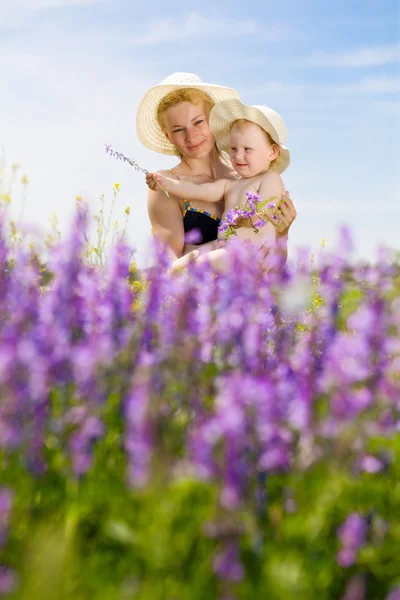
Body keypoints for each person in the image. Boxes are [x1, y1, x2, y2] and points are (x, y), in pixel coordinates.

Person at [136, 73, 296, 268]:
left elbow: (275, 268)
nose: (191, 136)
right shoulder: (167, 184)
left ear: (212, 119)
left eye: (198, 122)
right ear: (167, 135)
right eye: (178, 129)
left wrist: (282, 234)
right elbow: (168, 270)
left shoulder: (247, 175)